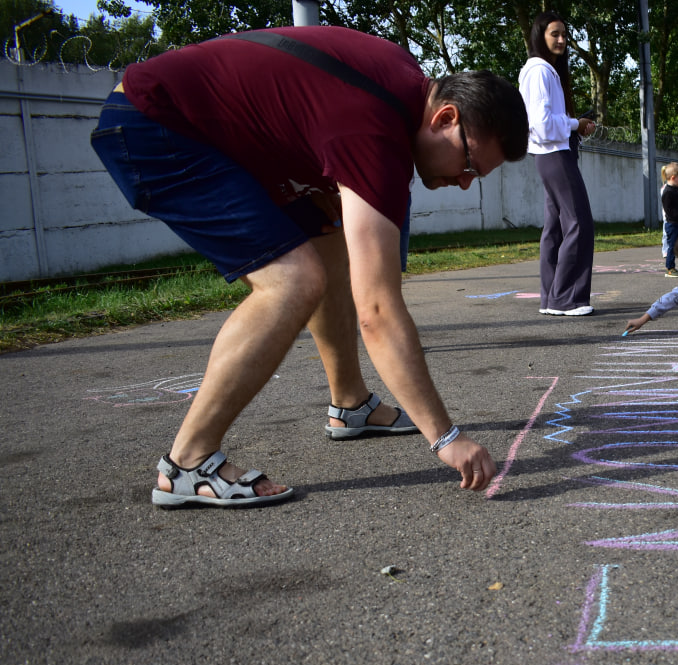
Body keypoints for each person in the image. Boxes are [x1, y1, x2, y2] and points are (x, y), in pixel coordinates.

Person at [90, 26, 530, 507]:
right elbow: (378, 312)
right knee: (293, 280)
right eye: (469, 164)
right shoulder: (374, 131)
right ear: (445, 116)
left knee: (332, 238)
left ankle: (350, 404)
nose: (465, 183)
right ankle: (188, 462)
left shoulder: (401, 85)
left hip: (195, 122)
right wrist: (447, 437)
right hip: (156, 123)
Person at [520, 10, 597, 316]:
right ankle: (566, 298)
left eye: (564, 35)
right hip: (553, 153)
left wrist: (573, 125)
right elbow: (540, 124)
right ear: (539, 35)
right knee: (579, 222)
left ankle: (551, 298)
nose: (562, 40)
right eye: (555, 34)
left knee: (554, 227)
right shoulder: (538, 71)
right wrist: (575, 124)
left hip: (550, 153)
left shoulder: (544, 70)